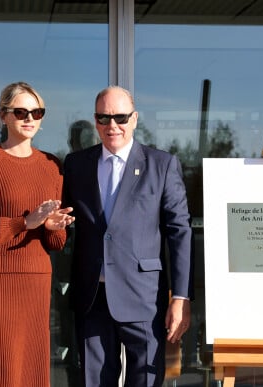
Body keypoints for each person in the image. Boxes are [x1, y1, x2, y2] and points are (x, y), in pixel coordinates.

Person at [62, 85, 193, 387]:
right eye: (104, 118)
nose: (112, 126)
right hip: (92, 297)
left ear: (135, 119)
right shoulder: (76, 165)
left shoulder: (161, 165)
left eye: (120, 117)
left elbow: (179, 232)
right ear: (95, 121)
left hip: (144, 297)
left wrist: (181, 297)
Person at [0, 81, 75, 387]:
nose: (29, 118)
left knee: (33, 364)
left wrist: (54, 227)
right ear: (3, 116)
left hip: (36, 276)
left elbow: (55, 243)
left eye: (37, 112)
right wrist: (24, 223)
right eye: (20, 111)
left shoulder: (51, 166)